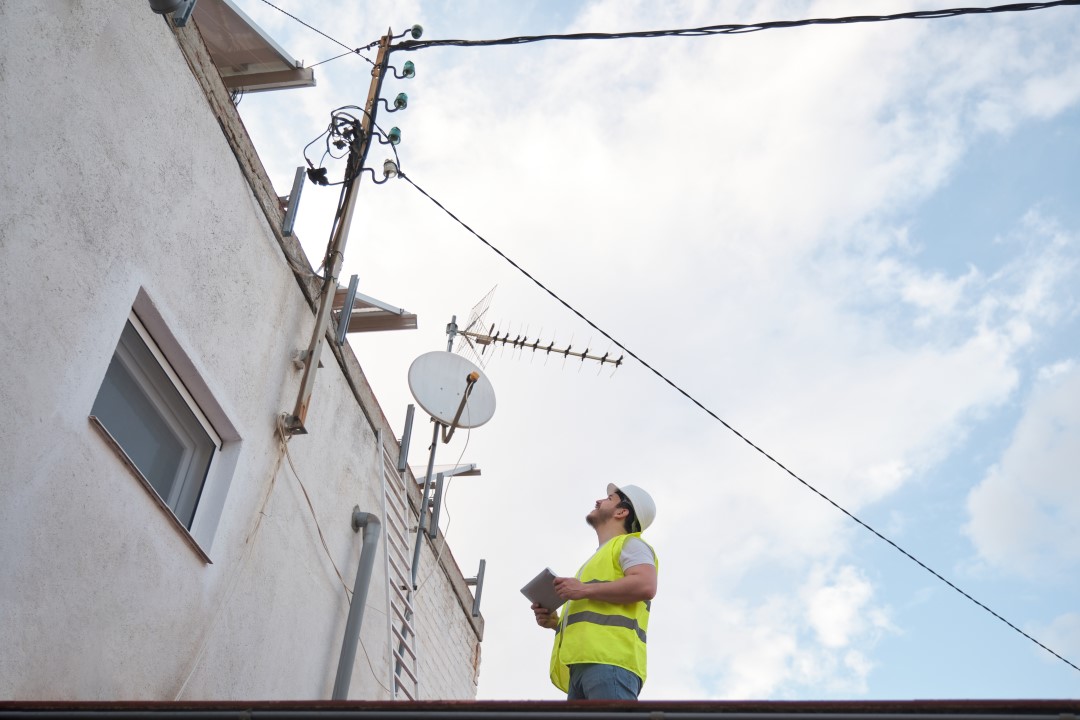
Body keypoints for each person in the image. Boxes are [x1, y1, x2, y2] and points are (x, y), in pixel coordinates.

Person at [532, 483, 658, 700]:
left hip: (610, 663)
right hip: (583, 667)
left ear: (622, 512)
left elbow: (646, 585)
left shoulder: (631, 545)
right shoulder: (597, 559)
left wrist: (583, 589)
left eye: (609, 499)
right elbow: (596, 612)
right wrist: (557, 624)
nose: (599, 501)